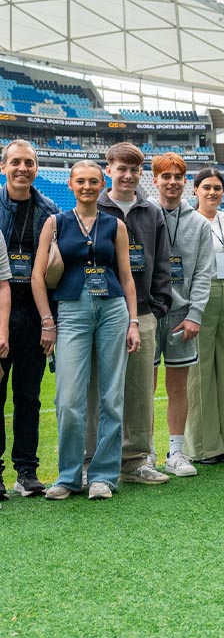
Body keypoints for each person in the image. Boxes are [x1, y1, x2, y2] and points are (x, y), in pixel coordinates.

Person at [32, 161, 139, 500]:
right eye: (81, 181)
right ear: (70, 184)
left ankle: (103, 476)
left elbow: (126, 277)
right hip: (71, 310)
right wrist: (48, 321)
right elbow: (37, 277)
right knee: (68, 398)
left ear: (102, 182)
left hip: (112, 310)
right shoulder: (55, 223)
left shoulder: (115, 225)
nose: (88, 186)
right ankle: (68, 476)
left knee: (111, 396)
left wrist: (133, 321)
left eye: (94, 181)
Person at [86, 142, 172, 485]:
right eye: (121, 168)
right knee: (97, 389)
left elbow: (162, 262)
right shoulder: (94, 207)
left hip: (145, 313)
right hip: (101, 311)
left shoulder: (152, 213)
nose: (127, 175)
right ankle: (90, 460)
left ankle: (135, 460)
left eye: (134, 170)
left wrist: (160, 304)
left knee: (138, 391)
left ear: (141, 174)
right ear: (109, 170)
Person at [148, 153, 212, 478]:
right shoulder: (141, 216)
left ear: (185, 182)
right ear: (155, 179)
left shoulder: (199, 223)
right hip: (147, 314)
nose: (172, 182)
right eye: (166, 176)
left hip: (182, 317)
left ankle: (176, 451)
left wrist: (195, 314)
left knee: (178, 386)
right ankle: (145, 453)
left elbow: (203, 273)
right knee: (144, 386)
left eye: (178, 176)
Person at [0, 139, 57, 498]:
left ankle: (26, 471)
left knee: (29, 396)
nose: (23, 168)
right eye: (16, 162)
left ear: (37, 168)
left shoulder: (49, 209)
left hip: (35, 313)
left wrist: (50, 321)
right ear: (3, 166)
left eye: (30, 163)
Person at [185, 168, 224, 464]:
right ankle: (203, 446)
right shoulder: (186, 220)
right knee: (200, 371)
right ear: (195, 190)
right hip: (201, 294)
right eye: (206, 187)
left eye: (217, 188)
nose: (212, 192)